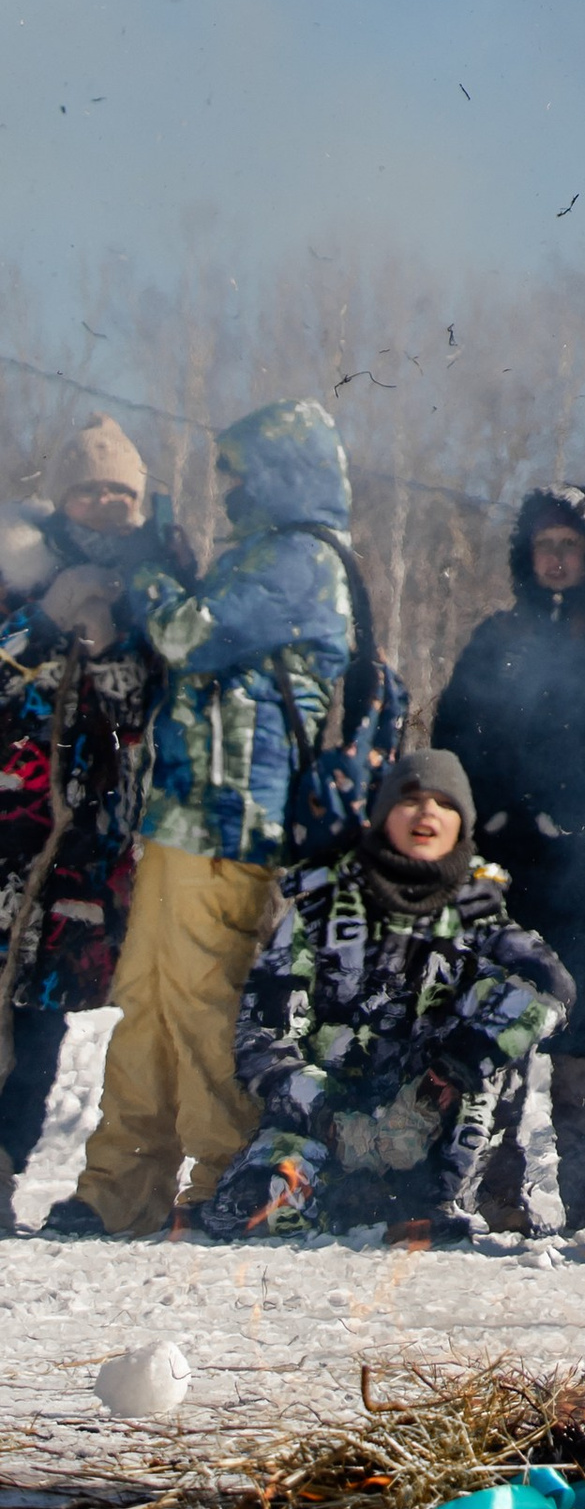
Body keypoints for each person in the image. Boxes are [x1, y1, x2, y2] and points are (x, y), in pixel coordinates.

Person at [47, 398, 355, 1242]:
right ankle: (119, 1189)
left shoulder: (298, 559)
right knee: (146, 1003)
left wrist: (148, 570)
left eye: (237, 470)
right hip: (185, 815)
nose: (226, 488)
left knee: (201, 1004)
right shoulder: (260, 554)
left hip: (229, 819)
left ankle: (226, 1178)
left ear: (280, 472)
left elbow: (188, 635)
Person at [196, 750, 571, 1244]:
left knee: (506, 1004)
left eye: (443, 803)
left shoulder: (480, 915)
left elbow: (553, 987)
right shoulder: (322, 908)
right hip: (321, 1122)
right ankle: (333, 1195)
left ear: (462, 823)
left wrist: (448, 1073)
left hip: (428, 1126)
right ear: (383, 815)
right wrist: (329, 1113)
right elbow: (262, 1034)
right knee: (256, 1213)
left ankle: (430, 1196)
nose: (427, 813)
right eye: (411, 799)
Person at [433, 482, 585, 1237]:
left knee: (580, 1035)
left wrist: (580, 812)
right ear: (525, 555)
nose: (558, 559)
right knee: (502, 1031)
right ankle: (497, 1193)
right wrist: (499, 809)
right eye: (546, 546)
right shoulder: (495, 640)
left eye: (571, 545)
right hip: (505, 864)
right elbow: (456, 734)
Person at [0, 420, 194, 1232]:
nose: (107, 502)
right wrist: (44, 622)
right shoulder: (18, 571)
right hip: (10, 830)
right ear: (65, 495)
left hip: (89, 850)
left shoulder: (160, 584)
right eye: (91, 487)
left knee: (41, 1024)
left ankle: (5, 1170)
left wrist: (115, 645)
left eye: (123, 491)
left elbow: (150, 707)